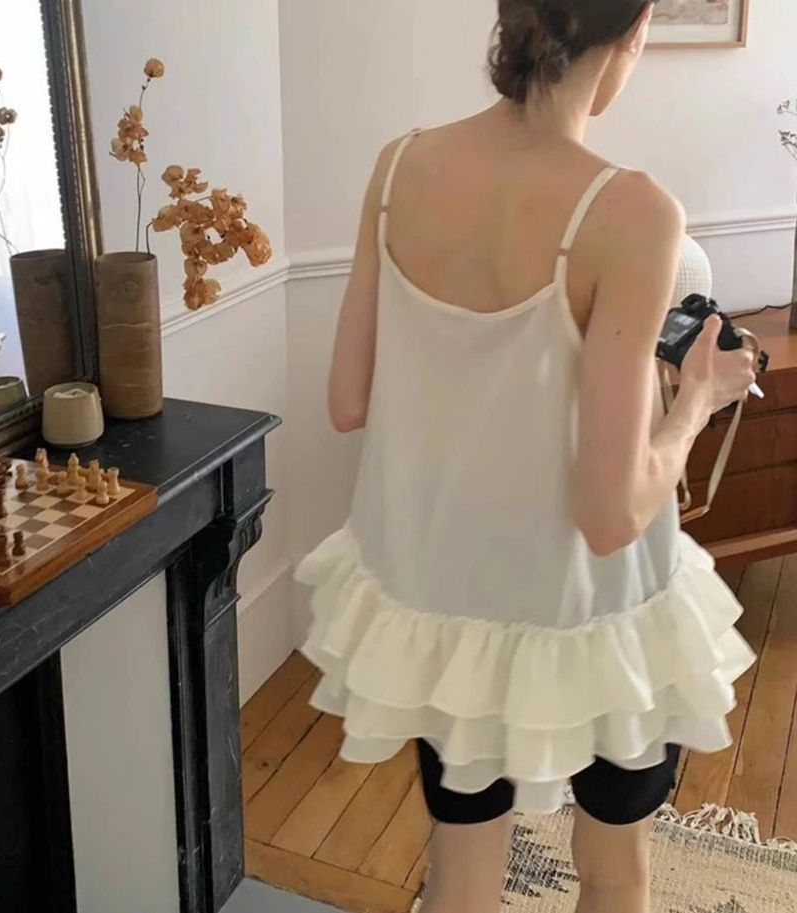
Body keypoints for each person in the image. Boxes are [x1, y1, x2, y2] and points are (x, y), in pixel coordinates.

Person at [295, 3, 758, 912]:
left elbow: (348, 400)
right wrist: (698, 400)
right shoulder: (634, 211)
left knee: (461, 872)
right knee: (615, 870)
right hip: (597, 619)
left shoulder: (398, 167)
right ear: (635, 31)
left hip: (449, 613)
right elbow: (610, 514)